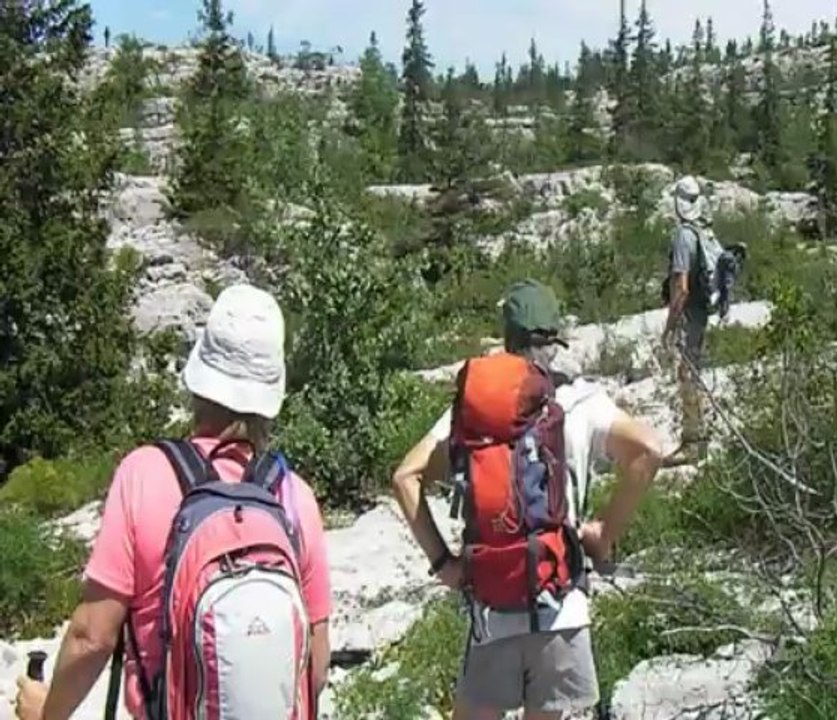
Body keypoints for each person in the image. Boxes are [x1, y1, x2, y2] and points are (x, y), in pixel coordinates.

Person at [14, 284, 332, 720]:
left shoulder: (144, 473)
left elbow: (93, 636)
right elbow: (312, 669)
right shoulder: (295, 498)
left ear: (198, 378)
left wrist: (46, 715)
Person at [392, 279, 664, 720]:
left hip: (493, 608)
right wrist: (603, 534)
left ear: (507, 337)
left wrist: (444, 564)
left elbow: (406, 477)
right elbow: (649, 450)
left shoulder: (474, 411)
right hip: (562, 608)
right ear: (554, 341)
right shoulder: (581, 402)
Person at [660, 175, 720, 467]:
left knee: (687, 377)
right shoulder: (702, 231)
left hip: (689, 316)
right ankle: (700, 438)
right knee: (693, 372)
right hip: (701, 314)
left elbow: (681, 287)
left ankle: (693, 442)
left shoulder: (683, 236)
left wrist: (669, 326)